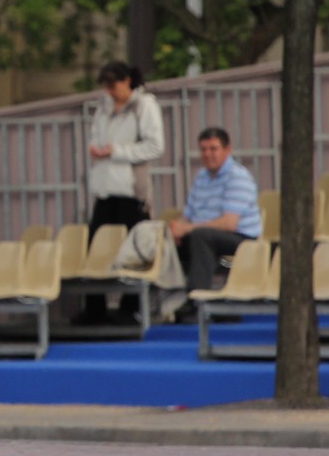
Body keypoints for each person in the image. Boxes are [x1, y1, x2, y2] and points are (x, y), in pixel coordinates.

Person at [77, 61, 165, 325]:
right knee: (96, 245)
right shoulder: (103, 107)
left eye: (113, 84)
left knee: (134, 249)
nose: (109, 90)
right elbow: (95, 135)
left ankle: (132, 307)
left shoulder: (144, 105)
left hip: (131, 190)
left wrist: (117, 152)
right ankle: (95, 308)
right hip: (105, 189)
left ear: (127, 81)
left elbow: (155, 146)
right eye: (105, 85)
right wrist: (97, 149)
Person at [168, 127, 262, 320]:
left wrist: (188, 228)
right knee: (163, 239)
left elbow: (229, 223)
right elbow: (188, 215)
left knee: (200, 236)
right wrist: (177, 230)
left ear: (227, 150)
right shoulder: (201, 177)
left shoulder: (238, 177)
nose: (207, 154)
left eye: (213, 149)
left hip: (242, 240)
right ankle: (157, 303)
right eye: (203, 149)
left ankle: (196, 302)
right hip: (205, 235)